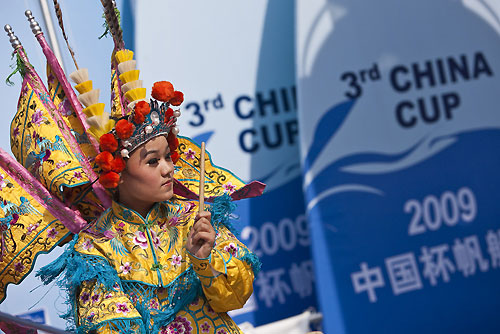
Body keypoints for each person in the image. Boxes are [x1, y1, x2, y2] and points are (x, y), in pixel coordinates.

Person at [37, 77, 261, 334]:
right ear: (118, 173)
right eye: (153, 161)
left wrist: (204, 263)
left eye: (168, 157)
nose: (168, 169)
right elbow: (109, 328)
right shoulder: (95, 246)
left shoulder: (194, 220)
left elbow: (234, 298)